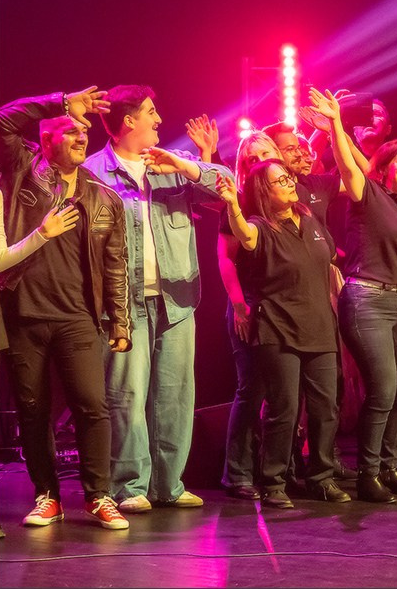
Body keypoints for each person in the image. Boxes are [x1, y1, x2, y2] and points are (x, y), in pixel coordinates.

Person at [86, 85, 230, 514]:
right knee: (126, 396)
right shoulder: (93, 172)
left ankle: (169, 483)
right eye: (151, 112)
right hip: (123, 304)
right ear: (128, 121)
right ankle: (129, 487)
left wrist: (188, 165)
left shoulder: (170, 165)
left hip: (177, 298)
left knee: (176, 393)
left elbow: (228, 190)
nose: (160, 121)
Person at [0, 87, 132, 530]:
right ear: (48, 136)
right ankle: (47, 495)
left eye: (85, 133)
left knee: (93, 405)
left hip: (77, 317)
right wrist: (60, 102)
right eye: (71, 130)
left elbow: (116, 263)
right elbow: (3, 121)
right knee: (34, 411)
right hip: (25, 313)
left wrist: (121, 320)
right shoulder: (23, 171)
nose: (81, 137)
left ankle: (99, 495)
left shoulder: (103, 195)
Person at [308, 88, 397, 503]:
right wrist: (337, 124)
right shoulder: (366, 194)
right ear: (386, 168)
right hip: (368, 300)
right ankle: (368, 473)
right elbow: (346, 162)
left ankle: (391, 466)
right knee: (385, 388)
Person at [217, 160, 348, 508]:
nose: (290, 183)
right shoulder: (259, 226)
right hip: (278, 328)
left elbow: (329, 260)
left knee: (325, 407)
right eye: (281, 180)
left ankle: (321, 478)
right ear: (264, 191)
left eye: (289, 177)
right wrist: (231, 203)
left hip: (319, 326)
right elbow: (243, 236)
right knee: (284, 408)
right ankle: (274, 482)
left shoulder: (309, 219)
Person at [217, 131, 282, 499]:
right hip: (249, 304)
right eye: (252, 157)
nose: (260, 160)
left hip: (285, 306)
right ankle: (238, 473)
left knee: (283, 393)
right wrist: (239, 305)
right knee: (251, 388)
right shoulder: (240, 202)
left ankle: (277, 469)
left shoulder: (291, 199)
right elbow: (226, 257)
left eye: (267, 153)